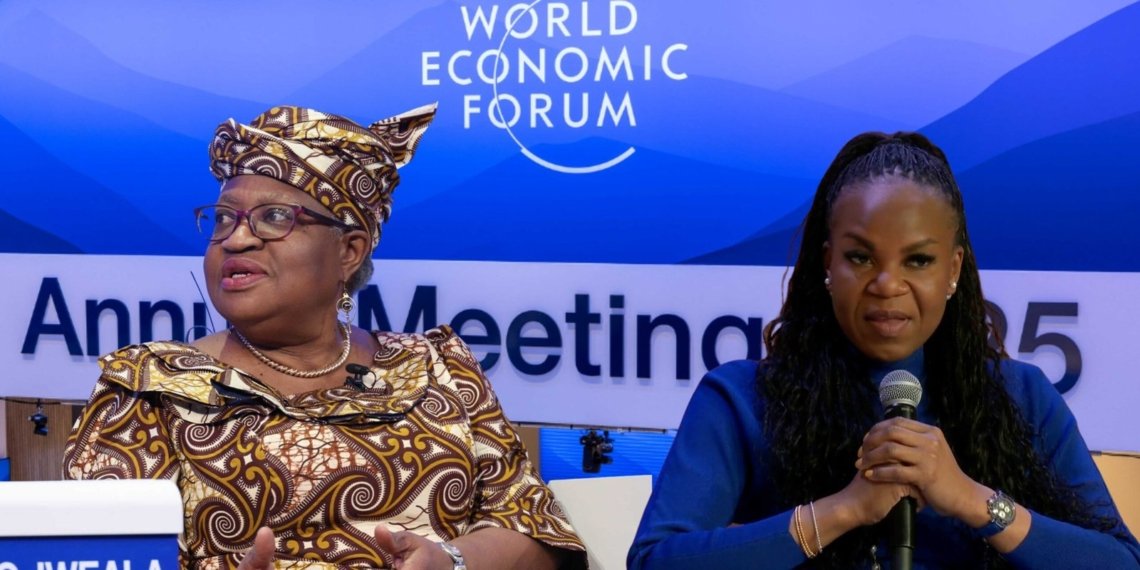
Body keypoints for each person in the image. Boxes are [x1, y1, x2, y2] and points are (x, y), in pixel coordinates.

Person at [64, 105, 586, 570]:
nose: (237, 237)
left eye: (274, 217)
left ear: (349, 251)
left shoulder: (437, 368)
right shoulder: (148, 388)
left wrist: (449, 561)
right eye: (224, 218)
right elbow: (96, 556)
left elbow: (538, 533)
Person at [627, 132, 1140, 568]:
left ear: (953, 271)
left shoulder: (1022, 396)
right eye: (861, 257)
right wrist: (842, 510)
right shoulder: (740, 399)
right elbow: (654, 559)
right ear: (828, 263)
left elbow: (1120, 560)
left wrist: (970, 499)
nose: (887, 284)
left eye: (918, 260)